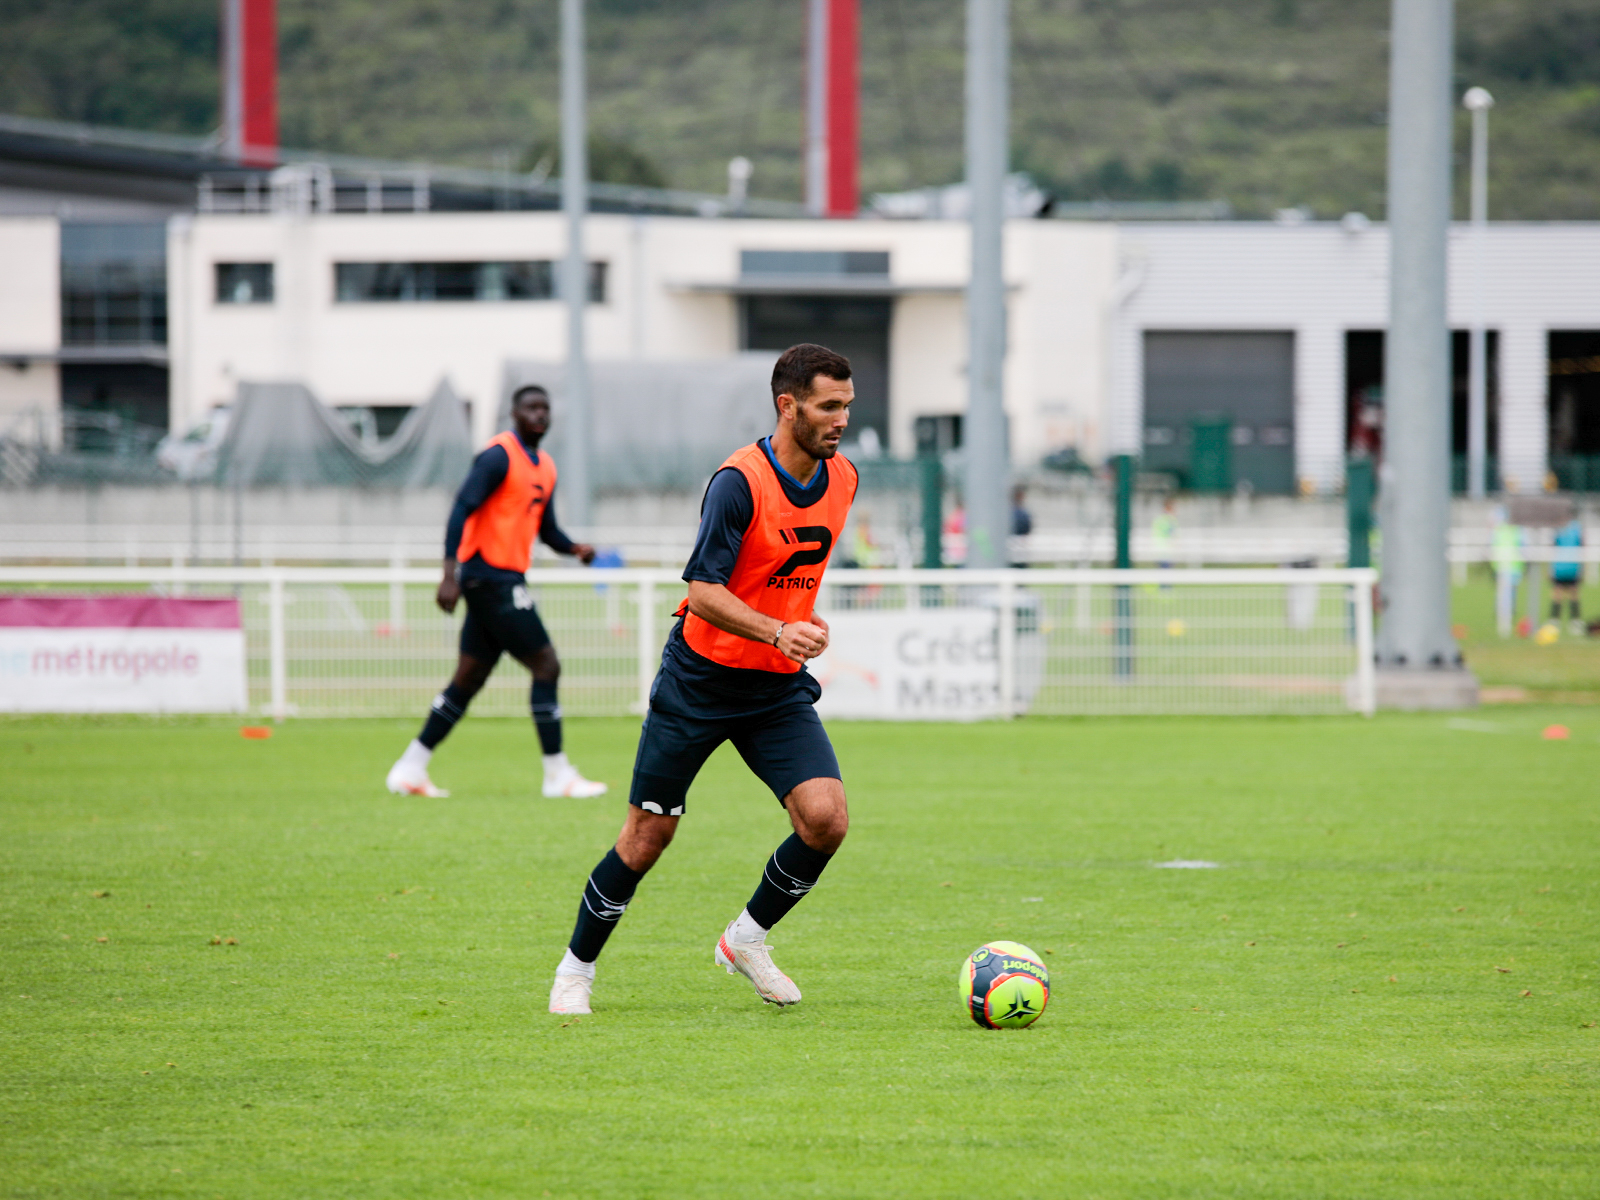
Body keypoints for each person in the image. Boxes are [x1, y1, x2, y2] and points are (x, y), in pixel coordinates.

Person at [548, 343, 858, 1015]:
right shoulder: (738, 481)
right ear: (788, 405)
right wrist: (779, 629)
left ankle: (747, 940)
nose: (841, 420)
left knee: (825, 820)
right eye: (829, 406)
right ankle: (575, 970)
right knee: (646, 839)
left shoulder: (844, 479)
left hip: (774, 689)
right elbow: (703, 589)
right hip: (699, 684)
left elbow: (785, 580)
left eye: (847, 407)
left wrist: (800, 626)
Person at [385, 385, 608, 800]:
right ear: (515, 413)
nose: (540, 415)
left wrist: (574, 548)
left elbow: (547, 530)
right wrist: (448, 573)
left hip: (502, 580)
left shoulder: (545, 466)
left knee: (468, 678)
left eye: (545, 408)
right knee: (546, 664)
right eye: (531, 408)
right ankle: (557, 773)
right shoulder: (498, 455)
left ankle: (410, 767)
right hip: (489, 578)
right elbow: (461, 507)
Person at [1551, 517, 1584, 635]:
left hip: (1562, 566)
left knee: (1560, 593)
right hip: (1570, 566)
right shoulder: (1576, 527)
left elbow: (1553, 545)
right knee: (1570, 593)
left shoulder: (1560, 526)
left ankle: (1556, 620)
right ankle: (1572, 621)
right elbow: (1582, 545)